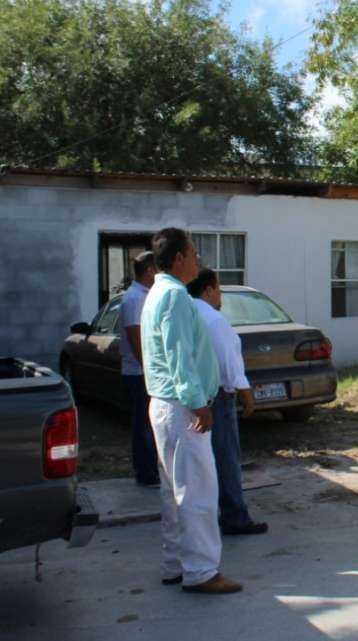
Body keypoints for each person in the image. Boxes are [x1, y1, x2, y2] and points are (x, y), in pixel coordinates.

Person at [141, 227, 241, 595]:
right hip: (183, 408)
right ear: (179, 258)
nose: (199, 261)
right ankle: (201, 571)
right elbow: (180, 355)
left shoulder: (158, 293)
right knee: (197, 491)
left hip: (167, 406)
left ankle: (176, 564)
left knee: (173, 491)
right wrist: (198, 402)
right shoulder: (175, 297)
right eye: (194, 254)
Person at [188, 267, 268, 536]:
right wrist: (244, 390)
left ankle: (209, 516)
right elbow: (227, 360)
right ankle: (234, 516)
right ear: (209, 289)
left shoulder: (185, 312)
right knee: (226, 458)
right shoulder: (213, 318)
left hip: (193, 396)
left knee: (201, 461)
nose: (221, 295)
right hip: (218, 396)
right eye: (219, 289)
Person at [117, 251, 161, 488]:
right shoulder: (135, 298)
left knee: (149, 423)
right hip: (139, 372)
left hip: (144, 371)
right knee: (143, 424)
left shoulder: (145, 295)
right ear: (150, 271)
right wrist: (149, 368)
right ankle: (145, 473)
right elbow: (135, 336)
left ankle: (151, 468)